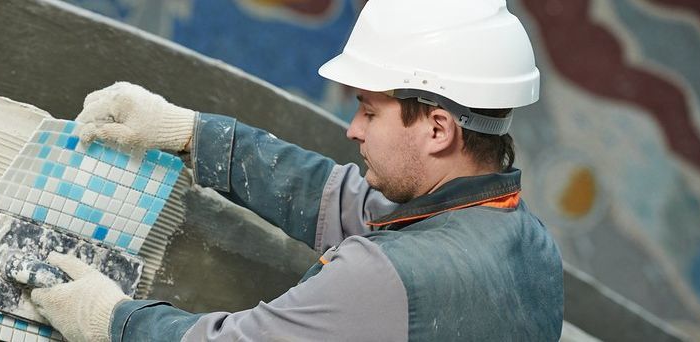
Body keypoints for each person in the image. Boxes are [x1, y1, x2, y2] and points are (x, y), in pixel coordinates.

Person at [28, 0, 563, 340]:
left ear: (438, 129)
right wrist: (192, 132)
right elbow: (337, 198)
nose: (353, 128)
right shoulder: (525, 245)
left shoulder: (385, 277)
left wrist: (112, 319)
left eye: (369, 111)